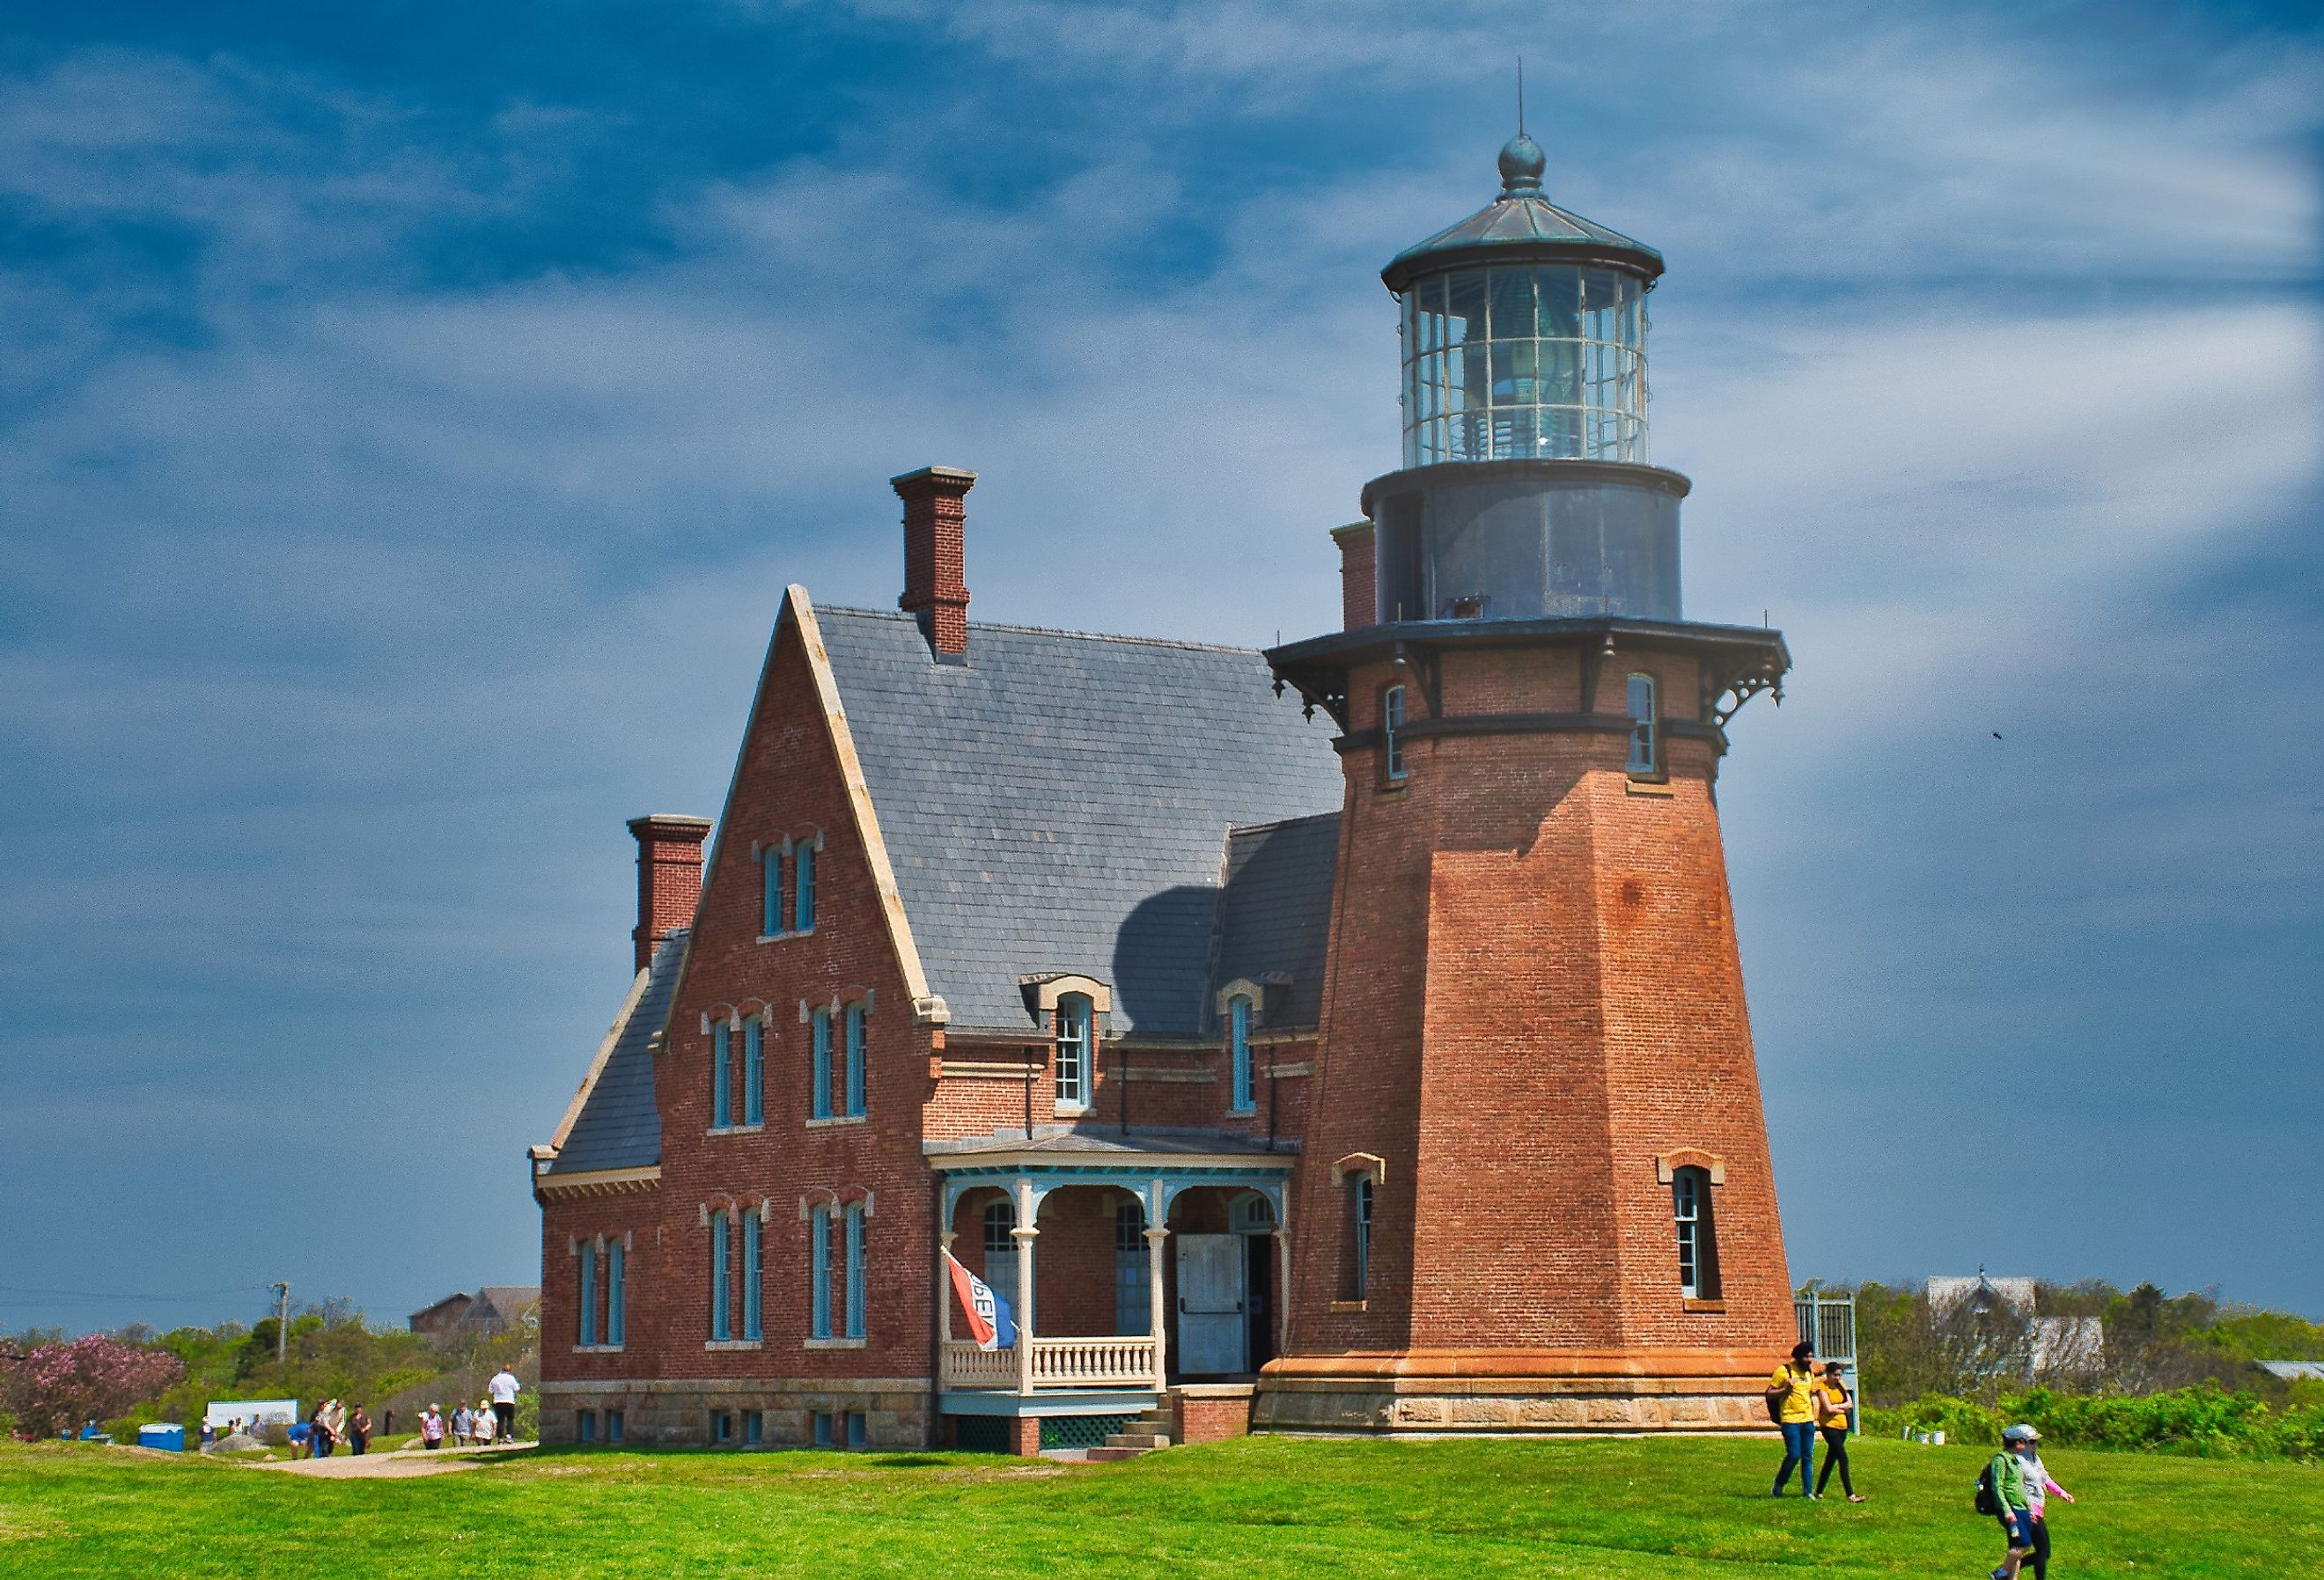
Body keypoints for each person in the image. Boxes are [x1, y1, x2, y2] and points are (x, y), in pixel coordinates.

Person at [1989, 1423, 2075, 1580]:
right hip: (2023, 1508)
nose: (2036, 1444)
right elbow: (2008, 1486)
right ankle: (2003, 1572)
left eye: (2036, 1441)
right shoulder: (2014, 1460)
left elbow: (2044, 1478)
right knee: (2039, 1549)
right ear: (2021, 1442)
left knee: (2025, 1547)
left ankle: (2006, 1571)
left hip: (2030, 1507)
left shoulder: (2035, 1458)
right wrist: (2011, 1510)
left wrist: (2062, 1493)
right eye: (2032, 1441)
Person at [1767, 1341, 1820, 1497]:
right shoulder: (1784, 1371)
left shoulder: (1809, 1373)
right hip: (1790, 1420)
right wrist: (1785, 1389)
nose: (1809, 1360)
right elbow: (1770, 1393)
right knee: (1794, 1454)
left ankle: (1808, 1491)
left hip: (1807, 1420)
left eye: (1811, 1356)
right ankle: (1779, 1484)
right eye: (1806, 1357)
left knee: (1808, 1456)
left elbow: (1808, 1394)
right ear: (1797, 1357)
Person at [1813, 1363, 1864, 1502]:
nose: (1837, 1378)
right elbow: (1828, 1408)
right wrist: (1842, 1407)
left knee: (1830, 1460)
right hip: (1829, 1427)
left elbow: (1850, 1404)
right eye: (1834, 1375)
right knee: (1843, 1458)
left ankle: (1818, 1492)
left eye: (1839, 1375)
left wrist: (1838, 1407)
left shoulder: (1841, 1386)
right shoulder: (1822, 1388)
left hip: (1842, 1427)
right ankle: (1851, 1495)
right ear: (1828, 1374)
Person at [488, 1364, 521, 1444]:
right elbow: (517, 1388)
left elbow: (490, 1390)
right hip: (509, 1401)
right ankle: (509, 1435)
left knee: (500, 1420)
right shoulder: (511, 1378)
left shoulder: (495, 1378)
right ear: (509, 1370)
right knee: (510, 1419)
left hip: (498, 1401)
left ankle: (500, 1438)